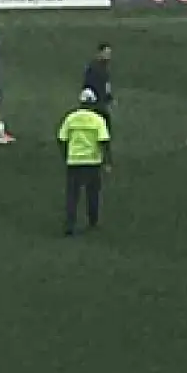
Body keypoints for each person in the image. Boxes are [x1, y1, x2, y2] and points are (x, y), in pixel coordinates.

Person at [59, 88, 112, 235]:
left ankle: (70, 224)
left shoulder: (71, 118)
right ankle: (93, 221)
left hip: (74, 160)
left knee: (72, 195)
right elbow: (104, 141)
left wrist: (66, 156)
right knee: (93, 193)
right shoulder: (98, 119)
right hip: (92, 161)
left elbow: (62, 139)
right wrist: (107, 161)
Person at [82, 42, 113, 119]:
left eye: (109, 53)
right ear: (100, 53)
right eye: (106, 53)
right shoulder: (93, 67)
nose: (108, 56)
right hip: (94, 104)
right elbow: (88, 85)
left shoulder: (105, 69)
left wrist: (109, 97)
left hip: (102, 104)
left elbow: (107, 84)